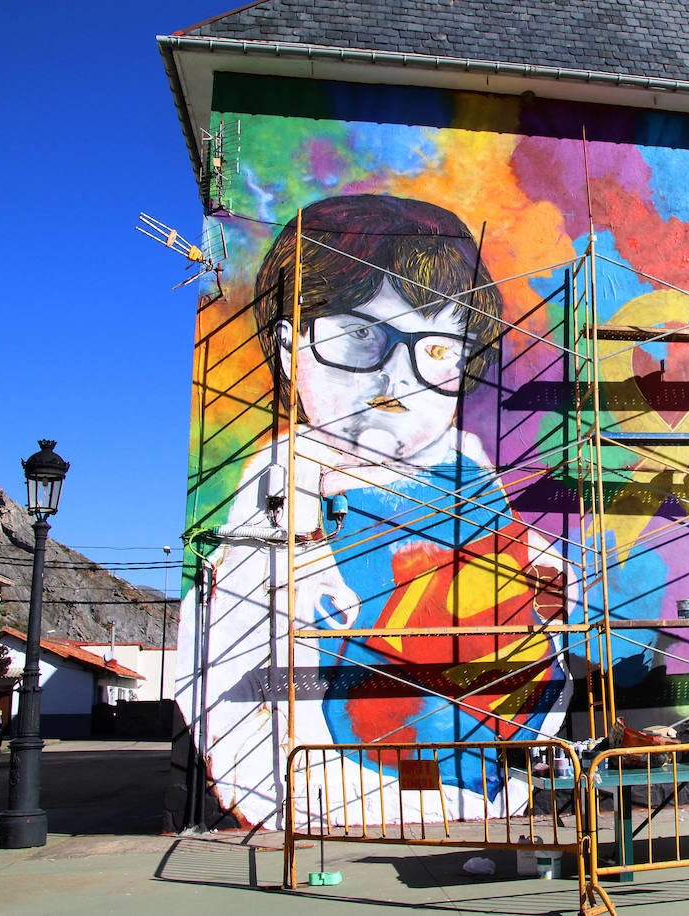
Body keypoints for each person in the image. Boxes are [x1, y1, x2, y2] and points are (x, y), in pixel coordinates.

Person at [187, 194, 570, 827]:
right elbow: (237, 672)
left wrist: (549, 584)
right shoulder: (286, 486)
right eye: (362, 335)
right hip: (350, 784)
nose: (399, 376)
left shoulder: (473, 475)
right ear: (288, 349)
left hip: (484, 770)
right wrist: (286, 797)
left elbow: (529, 613)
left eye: (439, 349)